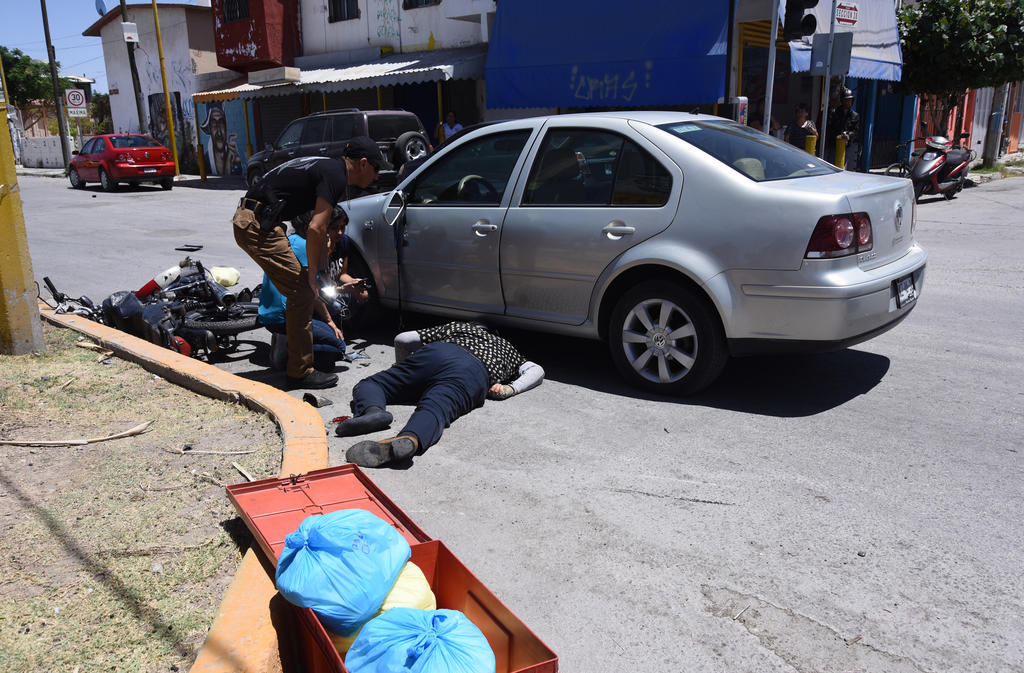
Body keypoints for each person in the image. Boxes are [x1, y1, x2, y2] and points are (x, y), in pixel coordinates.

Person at [232, 136, 387, 389]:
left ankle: (293, 357)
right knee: (303, 290)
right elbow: (317, 228)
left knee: (301, 290)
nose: (377, 176)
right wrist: (316, 273)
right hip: (257, 224)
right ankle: (300, 371)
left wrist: (315, 272)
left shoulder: (329, 167)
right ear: (362, 163)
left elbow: (318, 230)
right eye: (376, 168)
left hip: (261, 220)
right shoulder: (336, 175)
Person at [336, 321, 544, 468]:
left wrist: (405, 373)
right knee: (437, 407)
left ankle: (373, 410)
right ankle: (411, 438)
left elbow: (404, 338)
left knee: (374, 383)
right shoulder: (508, 349)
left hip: (436, 354)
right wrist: (510, 389)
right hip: (473, 372)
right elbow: (537, 371)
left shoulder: (460, 328)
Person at [258, 206, 351, 372]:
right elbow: (314, 291)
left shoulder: (295, 240)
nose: (334, 233)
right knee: (338, 348)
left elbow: (323, 280)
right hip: (284, 317)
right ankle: (288, 349)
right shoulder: (304, 246)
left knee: (331, 331)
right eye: (329, 227)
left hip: (276, 313)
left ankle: (290, 342)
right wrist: (330, 322)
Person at [200, 103, 241, 176]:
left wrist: (234, 162)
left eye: (221, 123)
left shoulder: (233, 156)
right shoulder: (206, 160)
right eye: (214, 125)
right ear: (209, 129)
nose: (219, 133)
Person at [828, 88, 860, 170]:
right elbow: (829, 128)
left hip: (847, 147)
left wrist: (848, 135)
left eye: (850, 100)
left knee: (845, 169)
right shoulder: (834, 113)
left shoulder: (855, 115)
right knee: (832, 167)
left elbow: (856, 131)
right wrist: (836, 136)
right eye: (846, 100)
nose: (848, 102)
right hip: (834, 146)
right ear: (842, 101)